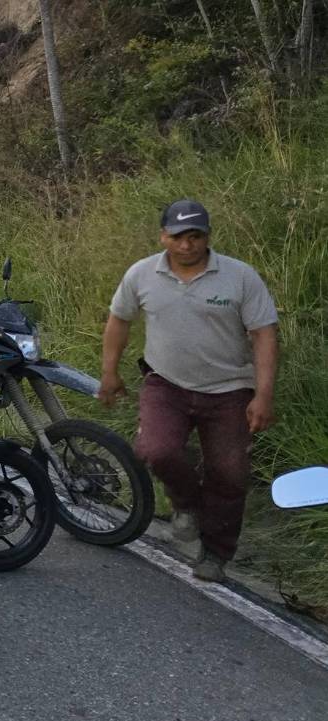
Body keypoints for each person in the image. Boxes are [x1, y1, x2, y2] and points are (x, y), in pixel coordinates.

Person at [99, 200, 278, 583]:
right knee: (156, 450)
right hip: (166, 384)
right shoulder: (142, 274)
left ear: (207, 237)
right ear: (163, 236)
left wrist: (263, 394)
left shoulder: (239, 277)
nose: (186, 245)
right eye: (178, 236)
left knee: (229, 472)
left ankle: (215, 552)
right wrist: (109, 373)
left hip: (230, 389)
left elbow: (264, 334)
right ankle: (187, 504)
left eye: (195, 236)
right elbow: (119, 320)